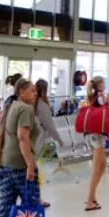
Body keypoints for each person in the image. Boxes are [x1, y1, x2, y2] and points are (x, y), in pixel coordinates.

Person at [0, 78, 47, 217]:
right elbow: (23, 138)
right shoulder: (24, 109)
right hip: (21, 167)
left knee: (6, 207)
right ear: (21, 91)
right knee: (30, 206)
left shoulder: (9, 107)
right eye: (32, 90)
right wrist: (30, 164)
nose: (35, 93)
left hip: (4, 164)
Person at [81, 76, 109, 211]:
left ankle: (93, 196)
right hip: (97, 136)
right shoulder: (100, 97)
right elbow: (104, 113)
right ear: (100, 85)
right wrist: (108, 103)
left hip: (92, 135)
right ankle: (90, 200)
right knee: (97, 169)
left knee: (102, 166)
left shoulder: (91, 97)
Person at [33, 80, 64, 208]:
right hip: (36, 142)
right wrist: (59, 140)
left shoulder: (32, 104)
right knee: (34, 171)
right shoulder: (41, 105)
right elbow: (49, 125)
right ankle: (36, 199)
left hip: (32, 140)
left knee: (31, 170)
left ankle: (34, 198)